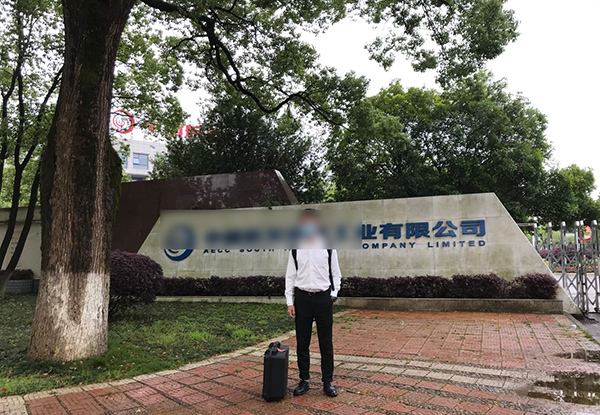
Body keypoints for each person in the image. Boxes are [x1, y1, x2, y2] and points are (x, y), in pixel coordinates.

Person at [285, 208, 342, 397]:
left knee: (326, 343)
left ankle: (328, 381)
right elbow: (290, 276)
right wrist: (289, 301)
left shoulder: (328, 246)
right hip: (302, 299)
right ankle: (304, 380)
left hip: (323, 299)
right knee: (303, 343)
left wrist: (333, 294)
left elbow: (336, 273)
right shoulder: (296, 248)